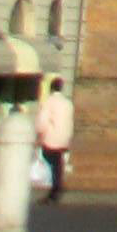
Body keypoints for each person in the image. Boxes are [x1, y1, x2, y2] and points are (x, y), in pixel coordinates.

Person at [34, 75, 74, 205]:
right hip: (64, 137)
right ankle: (56, 187)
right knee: (57, 162)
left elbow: (43, 121)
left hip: (51, 138)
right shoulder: (68, 103)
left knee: (50, 158)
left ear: (51, 88)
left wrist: (39, 133)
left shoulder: (49, 101)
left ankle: (55, 188)